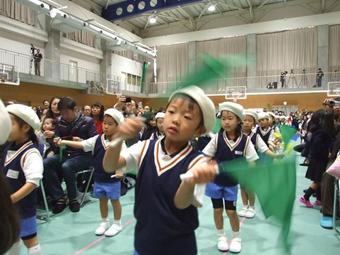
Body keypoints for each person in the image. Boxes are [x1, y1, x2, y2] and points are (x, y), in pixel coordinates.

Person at [103, 86, 217, 255]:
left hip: (178, 247)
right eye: (171, 112)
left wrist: (191, 181)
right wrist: (119, 137)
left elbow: (181, 203)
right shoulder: (145, 147)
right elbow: (110, 166)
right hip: (144, 241)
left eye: (187, 116)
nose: (176, 119)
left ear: (199, 130)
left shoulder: (198, 161)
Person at [57, 108, 125, 237]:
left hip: (112, 178)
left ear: (118, 126)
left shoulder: (119, 142)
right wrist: (64, 141)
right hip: (99, 177)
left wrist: (120, 171)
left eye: (110, 124)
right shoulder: (97, 139)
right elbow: (83, 144)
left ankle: (117, 223)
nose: (106, 126)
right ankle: (104, 221)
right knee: (102, 200)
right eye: (105, 123)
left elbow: (125, 157)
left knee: (115, 201)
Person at [202, 102, 259, 253]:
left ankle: (236, 237)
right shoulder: (216, 139)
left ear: (239, 120)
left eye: (230, 118)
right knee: (217, 210)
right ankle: (221, 236)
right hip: (214, 182)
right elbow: (206, 157)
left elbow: (252, 161)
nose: (226, 122)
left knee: (231, 212)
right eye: (223, 118)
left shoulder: (246, 141)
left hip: (231, 184)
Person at [43, 97, 97, 214]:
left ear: (75, 109)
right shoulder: (59, 121)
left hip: (84, 156)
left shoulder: (87, 121)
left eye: (66, 112)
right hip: (65, 154)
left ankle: (73, 199)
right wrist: (55, 141)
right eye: (61, 112)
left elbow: (95, 142)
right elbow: (55, 140)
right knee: (46, 163)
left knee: (67, 166)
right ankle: (59, 198)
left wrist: (82, 140)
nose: (64, 115)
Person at [2, 104, 43, 255]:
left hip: (23, 208)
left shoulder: (31, 153)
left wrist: (11, 199)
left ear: (25, 127)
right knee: (12, 238)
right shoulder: (7, 147)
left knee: (30, 240)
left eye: (11, 123)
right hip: (9, 208)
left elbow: (33, 182)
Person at [240, 109, 283, 218]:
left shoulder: (256, 137)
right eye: (244, 120)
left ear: (254, 123)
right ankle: (244, 206)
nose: (246, 123)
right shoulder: (236, 135)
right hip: (240, 165)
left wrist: (276, 156)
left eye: (249, 121)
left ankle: (252, 207)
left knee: (250, 187)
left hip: (253, 165)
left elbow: (265, 149)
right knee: (242, 186)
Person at [299, 109, 335, 208]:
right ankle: (305, 197)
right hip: (319, 159)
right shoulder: (322, 132)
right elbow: (317, 146)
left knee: (319, 180)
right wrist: (327, 152)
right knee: (318, 180)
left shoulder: (316, 130)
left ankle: (319, 199)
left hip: (316, 159)